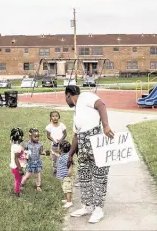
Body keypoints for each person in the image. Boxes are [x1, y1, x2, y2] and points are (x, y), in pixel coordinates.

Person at [64, 85, 114, 224]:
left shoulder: (85, 96)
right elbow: (76, 135)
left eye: (65, 98)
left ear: (68, 95)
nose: (66, 100)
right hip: (83, 147)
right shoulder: (76, 112)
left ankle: (98, 209)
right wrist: (70, 154)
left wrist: (105, 125)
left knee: (99, 176)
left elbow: (101, 105)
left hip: (96, 141)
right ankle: (87, 206)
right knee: (84, 175)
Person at [52, 141, 74, 208]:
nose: (58, 149)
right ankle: (67, 199)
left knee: (67, 189)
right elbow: (59, 156)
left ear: (61, 149)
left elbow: (70, 164)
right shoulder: (63, 155)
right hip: (63, 176)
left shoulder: (67, 157)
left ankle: (69, 202)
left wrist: (70, 171)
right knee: (65, 188)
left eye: (58, 148)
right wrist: (54, 153)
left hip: (67, 176)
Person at [45, 110, 67, 176]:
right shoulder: (49, 126)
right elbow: (48, 135)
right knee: (54, 158)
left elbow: (65, 134)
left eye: (56, 116)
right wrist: (53, 140)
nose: (55, 118)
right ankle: (55, 170)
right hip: (54, 145)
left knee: (62, 157)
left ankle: (62, 169)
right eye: (53, 116)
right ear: (51, 118)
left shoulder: (62, 125)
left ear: (59, 117)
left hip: (61, 145)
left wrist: (61, 140)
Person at [9, 128, 28, 197]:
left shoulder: (14, 145)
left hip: (14, 166)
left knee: (18, 179)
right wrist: (20, 169)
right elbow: (16, 158)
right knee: (18, 180)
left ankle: (18, 188)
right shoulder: (17, 147)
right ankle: (17, 193)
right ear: (20, 138)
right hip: (17, 167)